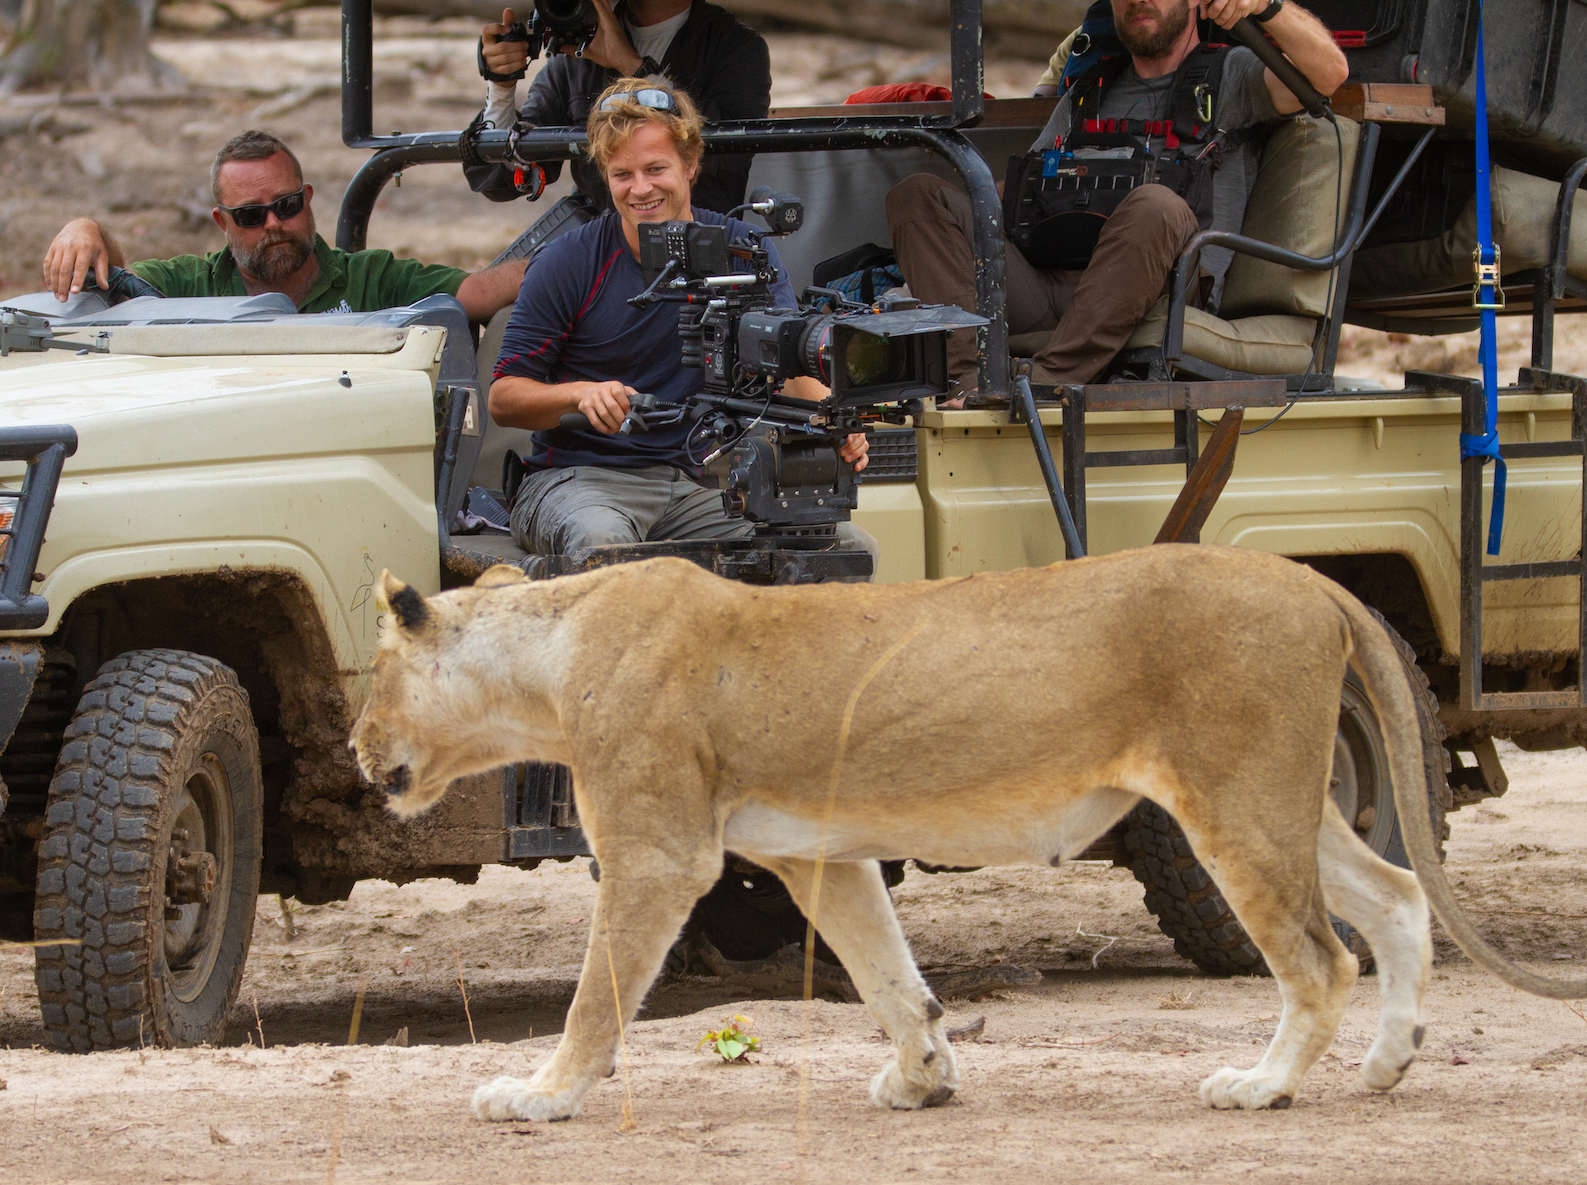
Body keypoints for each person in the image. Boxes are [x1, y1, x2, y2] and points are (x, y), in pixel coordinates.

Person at [489, 78, 875, 568]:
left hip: (692, 483)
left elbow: (788, 360)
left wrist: (834, 422)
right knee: (605, 543)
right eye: (622, 174)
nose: (640, 189)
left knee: (844, 548)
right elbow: (503, 398)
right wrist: (579, 395)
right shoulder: (568, 261)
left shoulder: (742, 250)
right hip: (574, 480)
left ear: (691, 164)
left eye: (656, 168)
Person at [885, 0, 1349, 401]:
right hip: (1048, 284)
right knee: (918, 196)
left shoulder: (1232, 74)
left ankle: (1049, 383)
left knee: (1156, 205)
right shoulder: (1088, 90)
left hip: (1162, 288)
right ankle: (968, 384)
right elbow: (1015, 196)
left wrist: (1265, 6)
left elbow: (1329, 74)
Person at [42, 130, 528, 320]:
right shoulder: (189, 286)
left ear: (308, 200)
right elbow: (118, 285)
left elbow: (478, 291)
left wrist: (567, 263)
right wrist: (85, 231)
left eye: (287, 205)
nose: (274, 223)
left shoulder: (371, 280)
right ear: (222, 222)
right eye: (251, 215)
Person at [468, 0, 770, 215]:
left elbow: (727, 156)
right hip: (598, 249)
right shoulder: (581, 44)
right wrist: (501, 87)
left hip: (695, 249)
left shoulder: (736, 47)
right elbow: (503, 178)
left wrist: (631, 65)